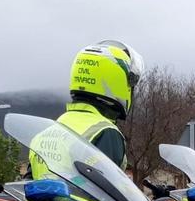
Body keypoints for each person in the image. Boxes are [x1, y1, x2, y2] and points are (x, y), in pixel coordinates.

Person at [29, 40, 145, 178]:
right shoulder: (106, 132)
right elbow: (107, 192)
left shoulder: (49, 130)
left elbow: (30, 181)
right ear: (116, 79)